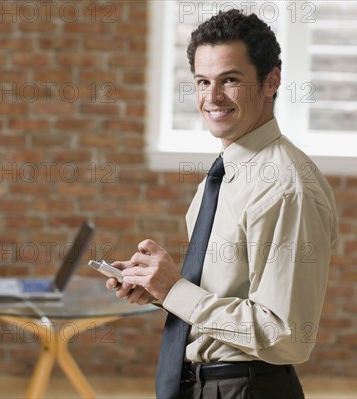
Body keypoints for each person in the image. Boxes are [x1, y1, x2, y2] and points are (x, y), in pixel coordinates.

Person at [106, 9, 338, 399]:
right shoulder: (225, 173)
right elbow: (225, 297)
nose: (212, 97)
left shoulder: (285, 186)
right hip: (203, 384)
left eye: (230, 80)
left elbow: (285, 336)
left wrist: (176, 290)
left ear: (271, 82)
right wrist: (161, 290)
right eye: (202, 81)